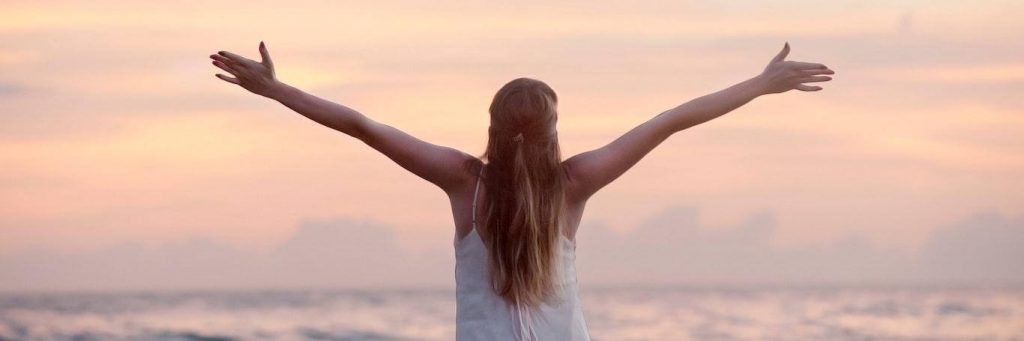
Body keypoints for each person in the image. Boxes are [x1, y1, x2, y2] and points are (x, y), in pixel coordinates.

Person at [209, 41, 833, 340]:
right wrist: (758, 85)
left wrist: (275, 90)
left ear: (493, 124)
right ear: (554, 131)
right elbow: (672, 120)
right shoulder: (576, 183)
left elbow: (362, 126)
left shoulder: (463, 181)